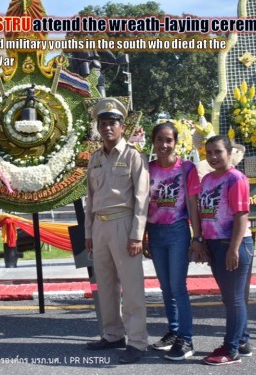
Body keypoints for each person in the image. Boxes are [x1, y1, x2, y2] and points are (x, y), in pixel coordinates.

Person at [84, 98, 150, 364]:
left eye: (112, 123)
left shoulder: (134, 156)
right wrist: (88, 232)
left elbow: (142, 198)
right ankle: (112, 335)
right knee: (106, 285)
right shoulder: (95, 159)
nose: (107, 128)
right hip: (100, 225)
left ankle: (137, 341)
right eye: (103, 124)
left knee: (132, 287)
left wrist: (137, 234)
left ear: (122, 127)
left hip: (124, 224)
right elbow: (90, 197)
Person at [146, 122, 207, 361]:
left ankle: (186, 338)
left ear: (175, 142)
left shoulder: (186, 168)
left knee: (178, 287)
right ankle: (173, 331)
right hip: (155, 232)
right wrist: (143, 236)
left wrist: (197, 236)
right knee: (165, 287)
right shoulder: (148, 168)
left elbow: (193, 205)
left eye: (168, 140)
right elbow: (142, 204)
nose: (164, 145)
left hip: (178, 231)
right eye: (159, 139)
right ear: (153, 141)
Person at [199, 135, 254, 366]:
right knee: (231, 298)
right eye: (209, 152)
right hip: (215, 245)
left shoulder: (236, 179)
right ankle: (242, 340)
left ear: (229, 153)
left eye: (218, 152)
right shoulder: (208, 179)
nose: (213, 157)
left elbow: (242, 216)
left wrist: (233, 248)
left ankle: (230, 350)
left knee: (234, 300)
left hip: (232, 244)